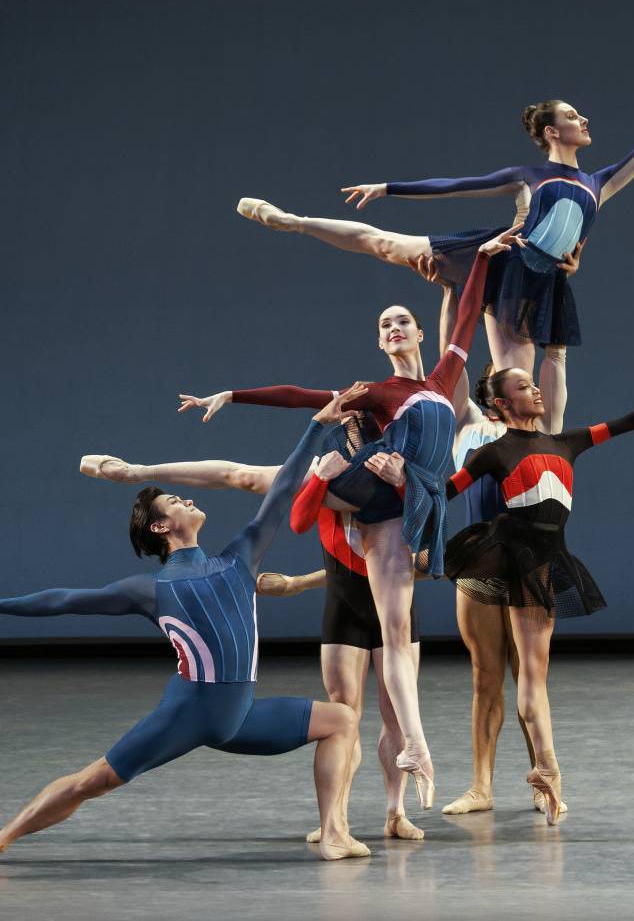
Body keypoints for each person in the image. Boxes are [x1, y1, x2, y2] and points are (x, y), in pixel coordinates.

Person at [0, 389, 374, 865]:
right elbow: (66, 600)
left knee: (342, 720)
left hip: (240, 714)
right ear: (160, 527)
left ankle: (334, 833)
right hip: (187, 712)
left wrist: (317, 425)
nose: (187, 498)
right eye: (174, 501)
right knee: (92, 782)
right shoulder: (150, 589)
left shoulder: (241, 558)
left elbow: (283, 487)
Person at [175, 230, 519, 810]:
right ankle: (143, 473)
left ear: (418, 333)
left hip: (406, 502)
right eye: (385, 324)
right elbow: (301, 395)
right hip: (374, 496)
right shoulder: (378, 391)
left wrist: (482, 260)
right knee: (267, 480)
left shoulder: (444, 378)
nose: (394, 327)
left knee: (397, 636)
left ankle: (414, 746)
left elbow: (465, 317)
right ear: (380, 341)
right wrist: (231, 395)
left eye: (402, 321)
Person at [371, 371, 634, 824]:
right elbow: (444, 494)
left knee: (532, 679)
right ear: (502, 405)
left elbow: (627, 423)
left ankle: (546, 775)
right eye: (524, 387)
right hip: (496, 553)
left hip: (538, 564)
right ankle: (488, 786)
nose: (535, 390)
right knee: (486, 674)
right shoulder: (492, 452)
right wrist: (403, 479)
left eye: (532, 384)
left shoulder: (568, 442)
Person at [234, 90, 634, 403]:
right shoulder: (529, 175)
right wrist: (388, 188)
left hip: (532, 283)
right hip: (497, 253)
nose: (585, 121)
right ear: (552, 131)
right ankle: (292, 221)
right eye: (574, 115)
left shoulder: (600, 183)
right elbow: (456, 185)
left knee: (515, 383)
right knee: (383, 242)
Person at [77, 416, 426, 841]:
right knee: (344, 715)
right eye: (350, 427)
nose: (356, 434)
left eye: (363, 427)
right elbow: (241, 478)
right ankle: (337, 820)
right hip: (345, 606)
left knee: (396, 716)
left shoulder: (403, 475)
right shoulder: (325, 471)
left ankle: (395, 811)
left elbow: (422, 559)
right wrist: (135, 471)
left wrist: (405, 485)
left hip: (394, 610)